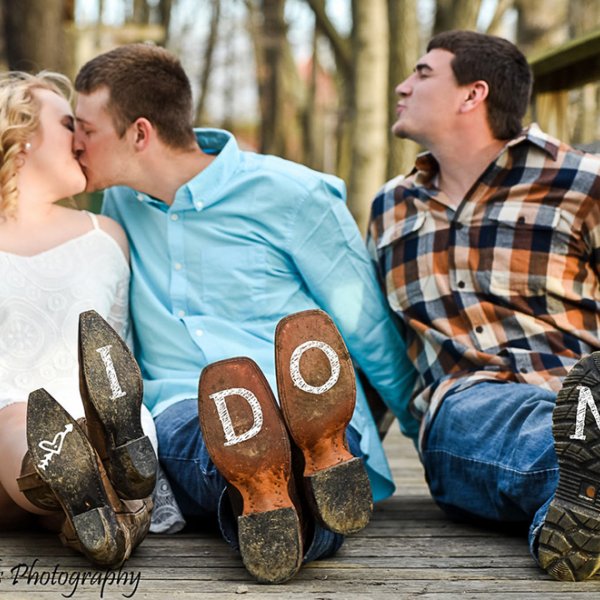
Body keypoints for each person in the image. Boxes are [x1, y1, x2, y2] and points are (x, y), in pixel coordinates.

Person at [72, 43, 416, 583]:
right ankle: (292, 491)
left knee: (247, 434)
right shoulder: (116, 207)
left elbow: (368, 327)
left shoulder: (293, 194)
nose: (75, 144)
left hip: (302, 394)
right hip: (188, 406)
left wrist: (427, 439)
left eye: (85, 130)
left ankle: (307, 463)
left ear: (140, 133)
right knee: (203, 431)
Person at [367, 29, 600, 582]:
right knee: (502, 420)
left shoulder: (582, 182)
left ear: (472, 95)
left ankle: (579, 503)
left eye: (423, 74)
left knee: (580, 420)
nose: (402, 87)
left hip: (582, 384)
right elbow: (374, 344)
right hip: (464, 409)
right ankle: (583, 475)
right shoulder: (391, 208)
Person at [0, 70, 157, 568]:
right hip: (7, 435)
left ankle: (99, 504)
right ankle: (99, 495)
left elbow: (118, 349)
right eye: (69, 124)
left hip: (106, 415)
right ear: (20, 137)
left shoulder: (104, 236)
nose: (82, 137)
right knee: (23, 417)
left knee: (109, 426)